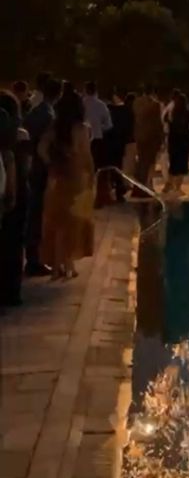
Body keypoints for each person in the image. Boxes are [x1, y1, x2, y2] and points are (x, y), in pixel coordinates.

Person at [39, 86, 95, 279]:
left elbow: (41, 148)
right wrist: (92, 176)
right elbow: (87, 156)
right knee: (73, 224)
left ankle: (56, 267)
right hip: (76, 179)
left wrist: (52, 164)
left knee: (57, 224)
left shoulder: (55, 127)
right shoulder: (82, 129)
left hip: (56, 178)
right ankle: (69, 265)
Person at [23, 76, 61, 274]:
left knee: (32, 214)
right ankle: (33, 260)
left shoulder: (35, 111)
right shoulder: (48, 115)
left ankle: (32, 257)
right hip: (40, 171)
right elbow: (43, 147)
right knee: (37, 215)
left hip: (30, 168)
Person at [0, 93, 30, 307]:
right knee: (15, 242)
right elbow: (26, 166)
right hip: (20, 191)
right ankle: (12, 291)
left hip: (7, 193)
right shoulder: (20, 135)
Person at [133, 85, 164, 189]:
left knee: (141, 160)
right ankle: (149, 183)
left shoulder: (136, 103)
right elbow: (158, 123)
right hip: (151, 137)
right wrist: (162, 138)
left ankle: (139, 183)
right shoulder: (155, 104)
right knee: (151, 162)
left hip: (139, 136)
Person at [107, 90, 135, 200]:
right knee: (117, 167)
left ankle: (114, 189)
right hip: (120, 142)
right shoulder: (127, 111)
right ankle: (119, 190)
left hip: (109, 141)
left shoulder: (110, 109)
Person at [166, 90, 189, 195]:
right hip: (184, 141)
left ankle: (170, 185)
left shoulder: (172, 113)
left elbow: (166, 121)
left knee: (173, 164)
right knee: (182, 165)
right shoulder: (188, 113)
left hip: (173, 141)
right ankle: (178, 187)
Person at [83, 81, 113, 172]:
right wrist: (99, 128)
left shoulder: (80, 104)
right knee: (96, 166)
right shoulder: (101, 105)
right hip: (97, 139)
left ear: (85, 90)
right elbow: (109, 125)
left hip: (83, 139)